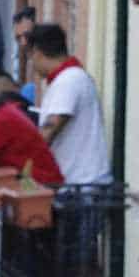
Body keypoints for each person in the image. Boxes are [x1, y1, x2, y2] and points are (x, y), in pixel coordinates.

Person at [23, 24, 111, 184]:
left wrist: (24, 162)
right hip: (80, 183)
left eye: (30, 57)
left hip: (81, 185)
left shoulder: (68, 80)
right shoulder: (69, 78)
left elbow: (51, 127)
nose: (32, 65)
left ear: (36, 52)